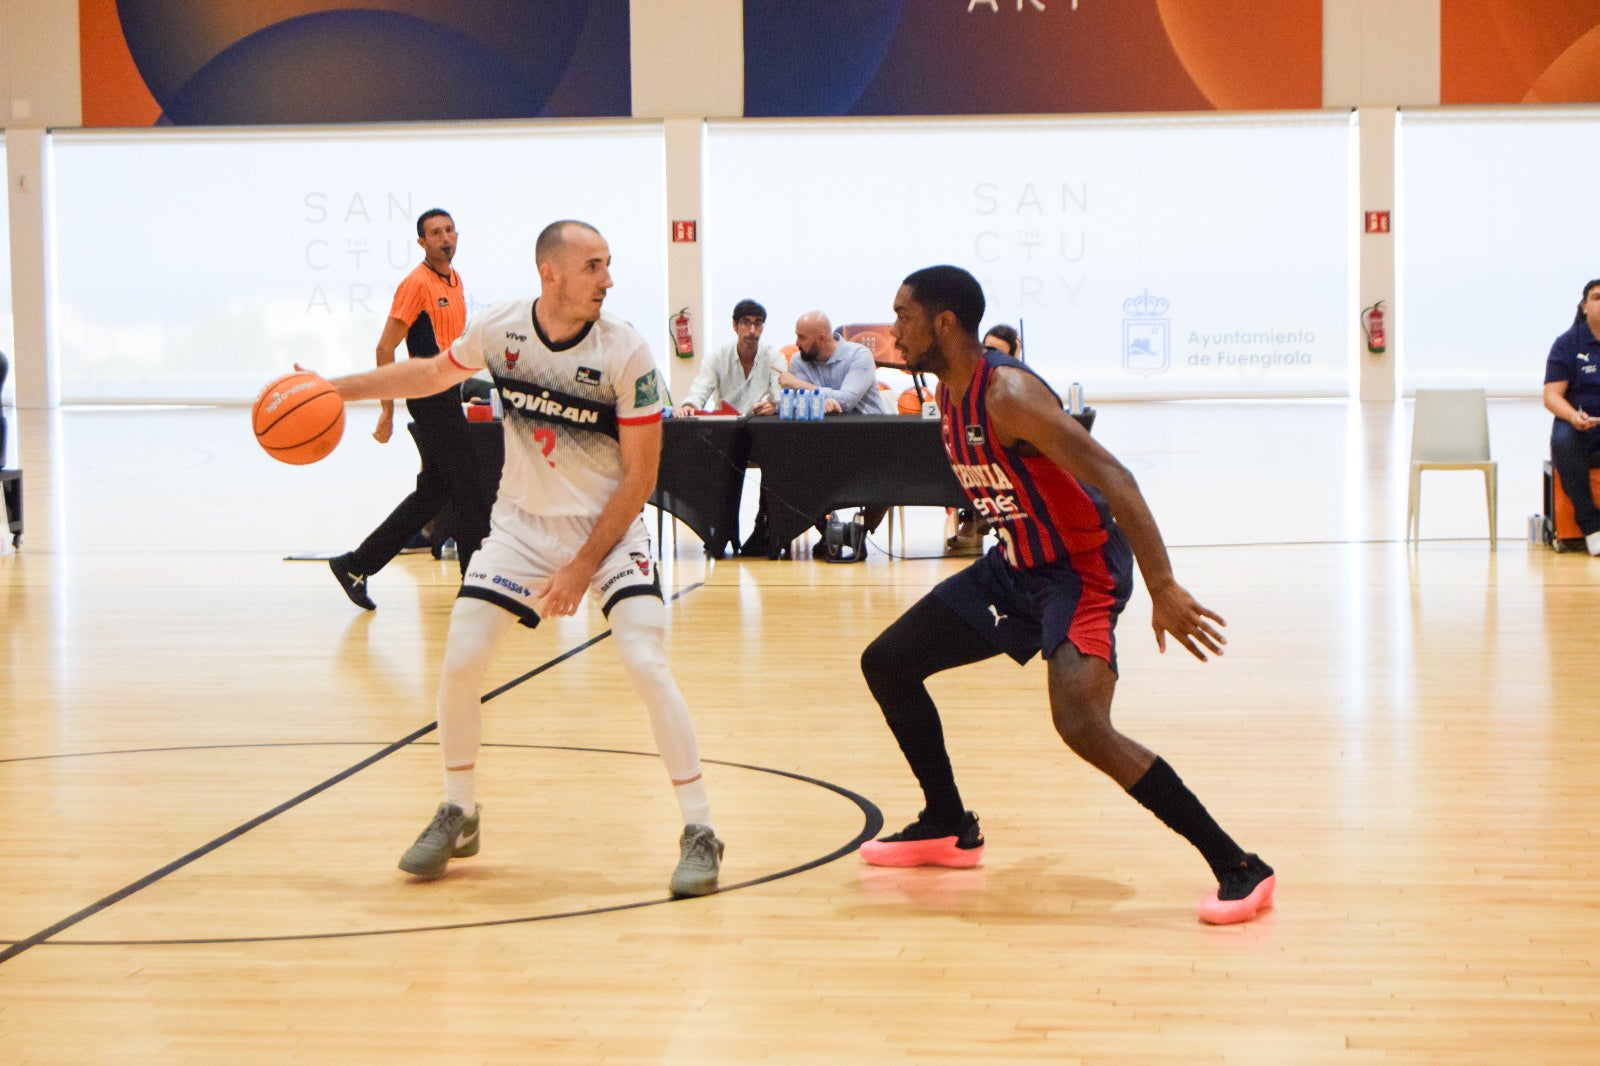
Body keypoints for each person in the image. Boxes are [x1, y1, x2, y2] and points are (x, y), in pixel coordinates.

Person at [316, 219, 724, 896]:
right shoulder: (501, 330)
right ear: (552, 273)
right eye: (594, 266)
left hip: (611, 530)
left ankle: (701, 829)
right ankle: (458, 809)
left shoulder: (627, 351)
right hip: (523, 530)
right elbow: (425, 373)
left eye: (609, 265)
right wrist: (335, 389)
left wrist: (580, 566)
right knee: (461, 658)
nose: (608, 279)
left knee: (645, 660)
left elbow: (641, 479)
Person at [858, 265, 1274, 925]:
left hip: (1079, 571)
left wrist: (1163, 585)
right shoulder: (947, 394)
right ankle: (945, 822)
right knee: (888, 662)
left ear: (943, 323)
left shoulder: (1009, 396)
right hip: (1015, 568)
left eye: (902, 315)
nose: (892, 330)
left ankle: (1239, 866)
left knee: (1081, 723)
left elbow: (1116, 477)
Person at [328, 208, 493, 610]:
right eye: (435, 233)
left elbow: (452, 346)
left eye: (450, 230)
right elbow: (385, 348)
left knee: (435, 492)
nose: (445, 238)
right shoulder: (415, 284)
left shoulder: (455, 281)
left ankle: (355, 565)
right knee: (470, 485)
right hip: (427, 397)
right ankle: (476, 586)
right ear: (422, 242)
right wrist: (388, 409)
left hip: (446, 393)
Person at [1543, 278, 1600, 556]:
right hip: (1579, 421)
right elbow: (1552, 396)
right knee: (1563, 441)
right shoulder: (1567, 343)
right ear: (1584, 306)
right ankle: (1592, 527)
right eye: (1597, 297)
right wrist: (1573, 416)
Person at [678, 299, 783, 417]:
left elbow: (780, 398)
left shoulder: (775, 357)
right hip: (726, 427)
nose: (752, 330)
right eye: (746, 322)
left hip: (761, 426)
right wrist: (690, 405)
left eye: (757, 323)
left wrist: (774, 406)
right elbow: (700, 389)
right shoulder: (717, 357)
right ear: (735, 325)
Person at [780, 311, 889, 415]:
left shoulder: (859, 355)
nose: (797, 343)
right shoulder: (798, 360)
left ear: (821, 339)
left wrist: (798, 385)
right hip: (826, 429)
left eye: (802, 337)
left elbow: (846, 401)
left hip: (871, 427)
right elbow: (802, 403)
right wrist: (822, 401)